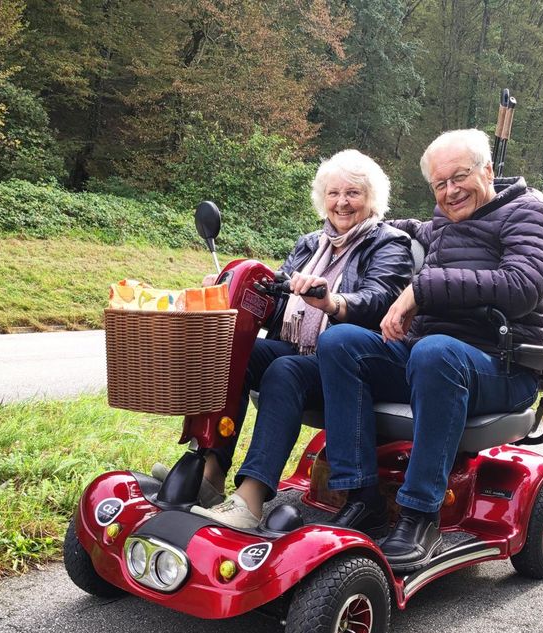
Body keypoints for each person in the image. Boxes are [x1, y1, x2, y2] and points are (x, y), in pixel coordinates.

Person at [315, 128, 543, 571]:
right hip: (434, 358)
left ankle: (419, 514)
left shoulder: (531, 213)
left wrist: (421, 289)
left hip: (502, 365)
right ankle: (361, 495)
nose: (450, 191)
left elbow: (523, 286)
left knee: (435, 352)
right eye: (440, 184)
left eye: (459, 177)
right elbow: (415, 229)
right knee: (341, 341)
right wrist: (358, 222)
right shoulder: (448, 221)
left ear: (487, 170)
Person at [172, 149, 414, 528]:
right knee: (234, 352)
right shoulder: (310, 244)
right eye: (333, 193)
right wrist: (231, 290)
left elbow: (380, 299)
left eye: (353, 193)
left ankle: (251, 497)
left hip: (350, 361)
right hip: (301, 348)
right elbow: (275, 300)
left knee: (285, 370)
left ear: (371, 200)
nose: (341, 202)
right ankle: (210, 468)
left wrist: (332, 301)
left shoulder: (389, 243)